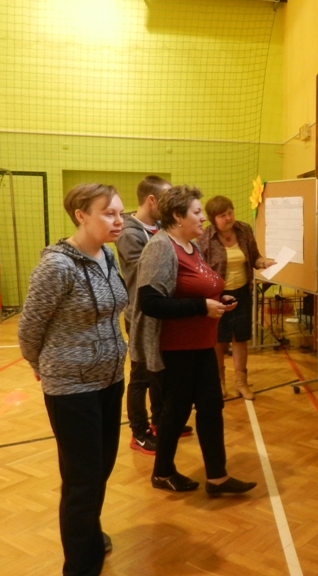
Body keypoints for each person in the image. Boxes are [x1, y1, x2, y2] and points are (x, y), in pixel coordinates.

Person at [18, 184, 128, 576]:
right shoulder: (57, 266)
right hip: (71, 387)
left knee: (101, 469)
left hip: (110, 379)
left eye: (121, 213)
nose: (119, 221)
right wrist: (41, 364)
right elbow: (29, 328)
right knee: (82, 479)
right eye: (109, 213)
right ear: (81, 215)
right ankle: (80, 566)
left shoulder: (107, 255)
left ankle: (90, 535)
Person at [129, 185, 257, 495]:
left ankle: (217, 478)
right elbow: (150, 303)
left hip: (200, 345)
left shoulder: (191, 246)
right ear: (177, 216)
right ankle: (162, 473)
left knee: (211, 407)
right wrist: (201, 306)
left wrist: (219, 299)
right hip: (174, 349)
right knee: (176, 412)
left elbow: (195, 287)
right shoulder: (161, 247)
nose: (203, 218)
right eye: (197, 212)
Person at [116, 175, 193, 455]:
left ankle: (160, 421)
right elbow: (149, 269)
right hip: (140, 313)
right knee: (142, 375)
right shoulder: (129, 233)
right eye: (166, 199)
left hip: (161, 310)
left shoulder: (159, 226)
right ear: (152, 200)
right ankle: (138, 432)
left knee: (160, 370)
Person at [197, 195, 274, 400]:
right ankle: (219, 382)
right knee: (218, 340)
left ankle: (241, 383)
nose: (229, 218)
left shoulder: (244, 230)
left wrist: (263, 263)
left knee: (240, 338)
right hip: (217, 296)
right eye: (222, 216)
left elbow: (254, 257)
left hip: (242, 293)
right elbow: (200, 269)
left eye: (230, 213)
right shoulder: (205, 237)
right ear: (213, 219)